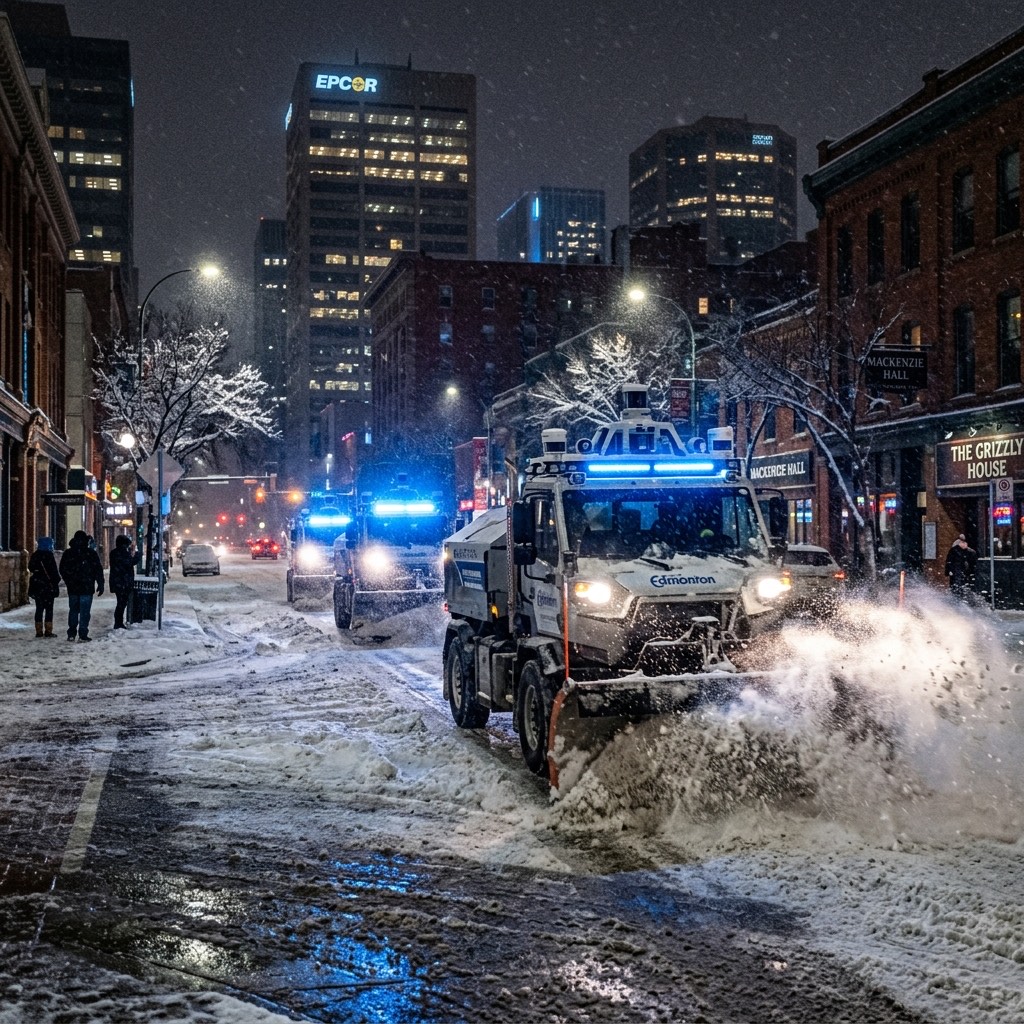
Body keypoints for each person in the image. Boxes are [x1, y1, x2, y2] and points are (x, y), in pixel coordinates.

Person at [59, 530, 104, 641]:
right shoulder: (91, 553)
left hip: (73, 587)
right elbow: (98, 569)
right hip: (86, 587)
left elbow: (62, 569)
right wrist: (100, 583)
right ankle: (82, 633)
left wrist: (69, 580)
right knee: (85, 611)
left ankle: (71, 632)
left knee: (73, 610)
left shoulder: (68, 553)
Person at [27, 537, 61, 638]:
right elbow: (54, 572)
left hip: (38, 586)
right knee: (49, 609)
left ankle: (38, 631)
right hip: (48, 587)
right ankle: (48, 630)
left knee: (39, 609)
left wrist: (38, 572)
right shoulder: (49, 555)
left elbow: (30, 568)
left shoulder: (35, 555)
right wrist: (55, 581)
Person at [108, 534, 137, 630]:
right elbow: (128, 563)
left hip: (118, 581)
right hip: (123, 582)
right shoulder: (122, 553)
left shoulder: (114, 553)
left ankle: (118, 622)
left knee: (121, 602)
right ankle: (118, 623)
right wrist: (136, 557)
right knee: (121, 603)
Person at [944, 533, 977, 602]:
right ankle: (957, 599)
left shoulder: (971, 552)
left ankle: (961, 599)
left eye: (965, 542)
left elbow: (973, 564)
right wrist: (949, 570)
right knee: (957, 587)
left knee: (962, 586)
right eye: (962, 542)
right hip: (957, 572)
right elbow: (949, 561)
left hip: (964, 573)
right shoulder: (954, 550)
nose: (963, 544)